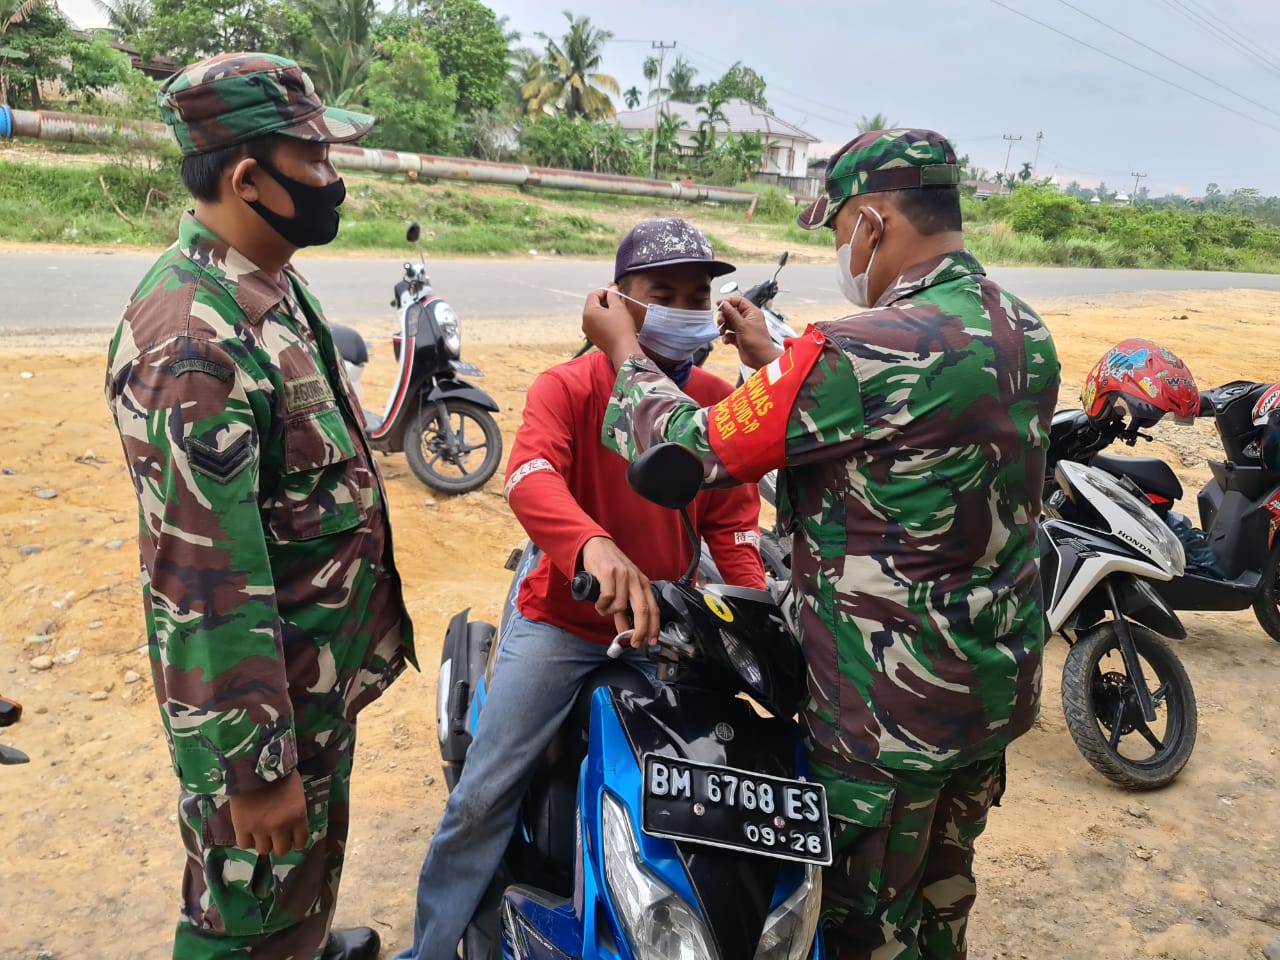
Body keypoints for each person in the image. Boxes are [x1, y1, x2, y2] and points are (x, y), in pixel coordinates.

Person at [583, 130, 1061, 959]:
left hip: (882, 715)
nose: (842, 251)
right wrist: (779, 363)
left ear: (873, 222)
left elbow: (685, 451)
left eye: (840, 232)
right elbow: (900, 447)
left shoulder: (861, 348)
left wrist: (624, 351)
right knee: (942, 901)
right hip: (987, 690)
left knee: (856, 930)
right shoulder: (1020, 325)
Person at [104, 53, 414, 960]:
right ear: (249, 178)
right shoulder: (191, 344)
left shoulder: (265, 281)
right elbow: (201, 578)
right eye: (315, 159)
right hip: (263, 719)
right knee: (245, 921)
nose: (334, 180)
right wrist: (254, 770)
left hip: (307, 690)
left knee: (295, 895)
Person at [396, 218, 766, 959]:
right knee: (483, 795)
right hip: (561, 622)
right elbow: (530, 478)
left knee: (705, 789)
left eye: (700, 294)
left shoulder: (716, 402)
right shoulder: (569, 385)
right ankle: (431, 948)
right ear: (617, 300)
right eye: (664, 293)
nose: (686, 307)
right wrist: (592, 545)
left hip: (666, 626)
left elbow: (731, 524)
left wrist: (751, 612)